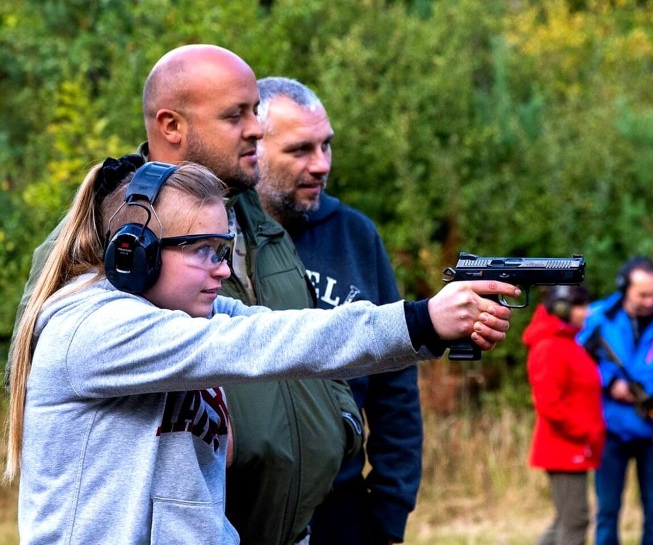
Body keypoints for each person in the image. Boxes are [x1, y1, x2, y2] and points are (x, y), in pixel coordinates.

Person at [4, 158, 516, 543]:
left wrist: (428, 331)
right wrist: (423, 319)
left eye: (225, 252)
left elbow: (299, 333)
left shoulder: (182, 317)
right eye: (206, 251)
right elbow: (256, 345)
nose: (223, 271)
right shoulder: (93, 330)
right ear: (135, 252)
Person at [254, 77, 422, 545]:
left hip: (344, 509)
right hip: (247, 507)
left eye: (326, 146)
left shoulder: (355, 235)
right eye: (300, 150)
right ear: (254, 146)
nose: (321, 165)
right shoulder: (218, 238)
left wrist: (390, 507)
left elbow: (396, 384)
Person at [576, 256, 653, 545]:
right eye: (642, 294)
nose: (650, 300)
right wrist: (610, 383)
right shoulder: (598, 317)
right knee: (606, 511)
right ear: (624, 288)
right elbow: (577, 362)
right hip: (610, 431)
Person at [522, 284, 604, 545]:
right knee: (575, 520)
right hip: (564, 449)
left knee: (565, 520)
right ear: (562, 307)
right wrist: (584, 431)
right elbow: (550, 405)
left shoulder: (567, 342)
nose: (587, 312)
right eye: (581, 306)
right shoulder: (549, 346)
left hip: (573, 447)